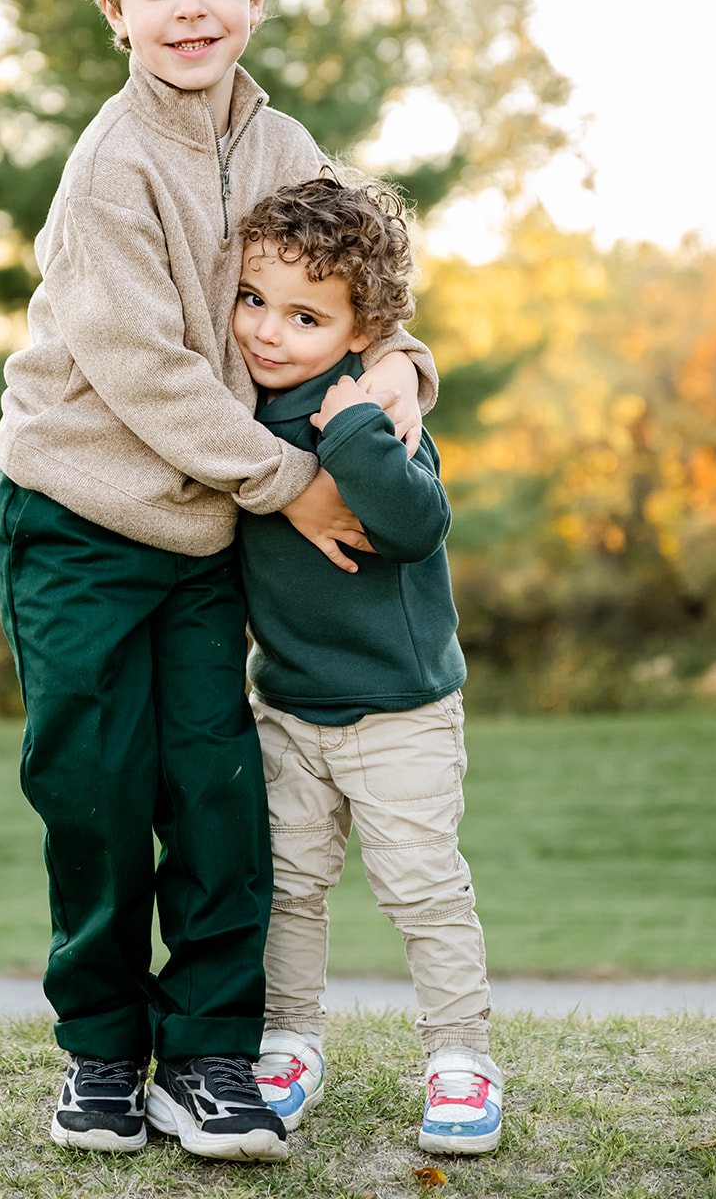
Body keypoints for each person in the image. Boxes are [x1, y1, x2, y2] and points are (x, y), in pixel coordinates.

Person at [0, 0, 439, 1164]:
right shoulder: (108, 170)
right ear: (113, 10)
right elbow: (144, 374)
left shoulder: (281, 145)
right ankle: (96, 1057)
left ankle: (205, 1058)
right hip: (78, 517)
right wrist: (295, 482)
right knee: (93, 787)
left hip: (203, 533)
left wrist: (402, 366)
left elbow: (359, 286)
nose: (189, 4)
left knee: (217, 788)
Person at [232, 174, 502, 1157]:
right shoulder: (236, 407)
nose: (267, 330)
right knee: (290, 886)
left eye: (304, 315)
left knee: (421, 886)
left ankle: (458, 1057)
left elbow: (416, 522)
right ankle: (288, 1042)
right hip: (290, 707)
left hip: (397, 712)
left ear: (361, 329)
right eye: (253, 299)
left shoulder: (368, 406)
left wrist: (353, 428)